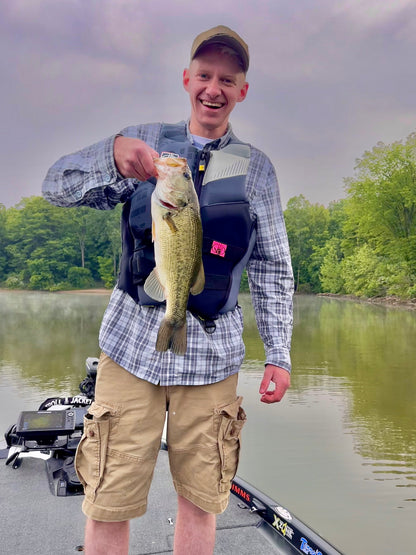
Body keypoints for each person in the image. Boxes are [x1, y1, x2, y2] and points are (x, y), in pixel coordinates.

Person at [42, 25, 294, 555]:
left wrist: (280, 354)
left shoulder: (257, 170)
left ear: (242, 90)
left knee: (201, 501)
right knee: (109, 495)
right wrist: (110, 153)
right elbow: (56, 186)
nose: (213, 88)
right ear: (187, 79)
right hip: (131, 348)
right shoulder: (147, 145)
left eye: (228, 79)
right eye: (204, 75)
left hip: (212, 358)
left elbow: (273, 267)